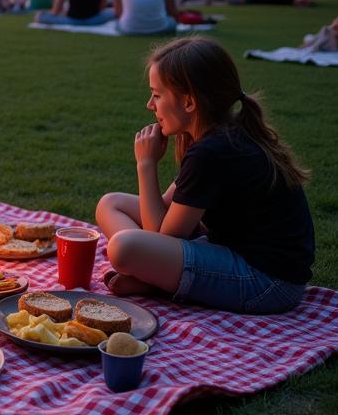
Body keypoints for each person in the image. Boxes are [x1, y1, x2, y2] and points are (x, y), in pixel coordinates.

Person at [95, 36, 313, 313]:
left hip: (268, 283)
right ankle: (151, 273)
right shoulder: (220, 136)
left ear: (189, 102)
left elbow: (161, 235)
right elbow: (164, 213)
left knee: (124, 247)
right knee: (110, 203)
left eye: (157, 95)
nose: (150, 104)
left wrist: (146, 164)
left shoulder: (213, 150)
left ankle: (151, 277)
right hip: (240, 256)